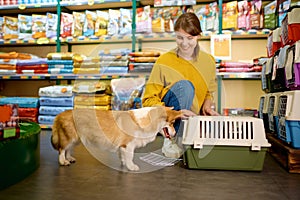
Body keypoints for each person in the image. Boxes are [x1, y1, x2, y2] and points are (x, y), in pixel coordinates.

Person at [142, 12, 219, 158]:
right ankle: (171, 140)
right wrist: (172, 113)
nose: (184, 43)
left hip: (192, 119)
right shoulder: (164, 61)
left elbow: (208, 93)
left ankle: (185, 137)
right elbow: (148, 100)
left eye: (190, 38)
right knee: (185, 86)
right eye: (179, 37)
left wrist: (207, 106)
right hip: (168, 119)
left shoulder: (209, 61)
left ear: (199, 36)